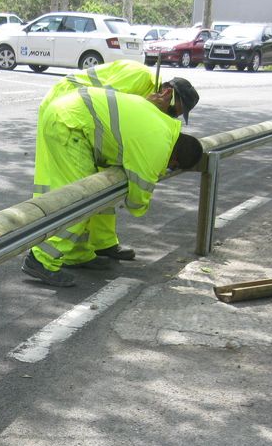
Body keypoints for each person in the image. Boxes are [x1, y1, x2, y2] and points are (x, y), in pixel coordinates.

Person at [21, 75, 204, 287]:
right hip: (70, 124)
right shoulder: (158, 146)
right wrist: (153, 178)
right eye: (171, 166)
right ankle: (40, 259)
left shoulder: (163, 127)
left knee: (92, 198)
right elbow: (137, 201)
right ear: (175, 159)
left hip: (72, 115)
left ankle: (76, 254)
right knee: (80, 200)